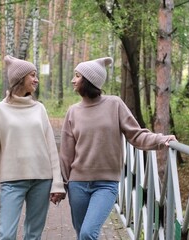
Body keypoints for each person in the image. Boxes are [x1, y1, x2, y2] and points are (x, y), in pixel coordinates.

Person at [59, 57, 177, 239]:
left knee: (88, 233)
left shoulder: (114, 104)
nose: (73, 80)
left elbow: (136, 135)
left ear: (89, 80)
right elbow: (66, 154)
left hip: (106, 184)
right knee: (81, 233)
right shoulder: (73, 111)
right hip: (78, 184)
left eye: (77, 76)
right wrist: (62, 185)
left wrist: (161, 140)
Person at [0, 55, 66, 240]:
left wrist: (57, 183)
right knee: (6, 235)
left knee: (33, 235)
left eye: (36, 74)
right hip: (12, 181)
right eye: (32, 75)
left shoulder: (40, 109)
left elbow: (51, 149)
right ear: (19, 79)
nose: (36, 79)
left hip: (42, 180)